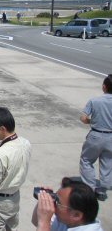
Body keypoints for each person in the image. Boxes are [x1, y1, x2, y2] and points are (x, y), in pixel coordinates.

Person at [79, 74, 112, 202]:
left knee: (86, 160)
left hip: (96, 135)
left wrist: (92, 121)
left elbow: (83, 118)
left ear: (104, 87)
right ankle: (103, 189)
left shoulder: (95, 101)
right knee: (107, 162)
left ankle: (89, 188)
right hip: (110, 136)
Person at [32, 177, 103, 231]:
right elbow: (37, 222)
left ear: (76, 215)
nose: (53, 204)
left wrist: (44, 222)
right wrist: (43, 199)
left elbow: (43, 224)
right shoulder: (67, 219)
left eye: (57, 202)